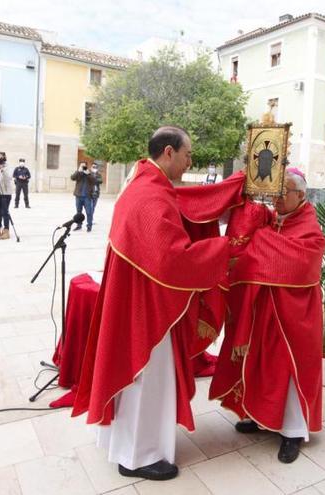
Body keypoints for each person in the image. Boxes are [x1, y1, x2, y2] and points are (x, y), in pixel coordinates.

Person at [72, 126, 232, 481]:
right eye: (188, 154)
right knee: (146, 380)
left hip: (139, 298)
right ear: (169, 152)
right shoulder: (151, 196)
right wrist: (225, 248)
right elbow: (172, 259)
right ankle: (139, 455)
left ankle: (127, 445)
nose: (191, 161)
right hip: (147, 309)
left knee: (140, 382)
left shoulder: (145, 185)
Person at [210, 168, 325, 464]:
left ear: (300, 195)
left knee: (288, 372)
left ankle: (292, 431)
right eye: (274, 192)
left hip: (293, 318)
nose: (276, 199)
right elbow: (252, 248)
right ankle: (258, 414)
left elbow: (297, 263)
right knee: (260, 364)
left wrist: (259, 244)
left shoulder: (310, 229)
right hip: (265, 312)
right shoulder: (273, 223)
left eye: (282, 192)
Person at [71, 161, 97, 232]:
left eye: (84, 166)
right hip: (78, 196)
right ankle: (79, 225)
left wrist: (88, 174)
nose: (83, 167)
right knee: (78, 212)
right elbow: (72, 178)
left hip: (87, 197)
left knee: (89, 212)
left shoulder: (90, 173)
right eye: (81, 166)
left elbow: (95, 181)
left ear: (86, 166)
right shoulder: (78, 173)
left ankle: (89, 226)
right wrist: (78, 171)